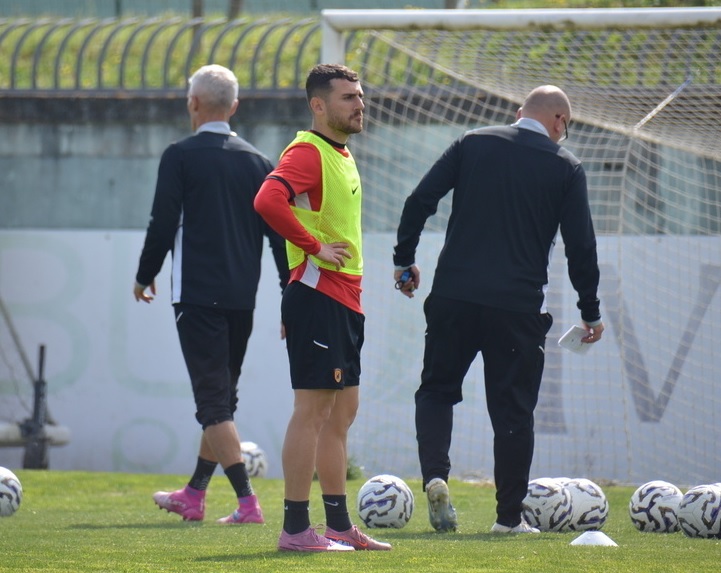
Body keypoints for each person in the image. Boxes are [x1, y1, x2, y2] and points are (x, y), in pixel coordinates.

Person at [392, 85, 605, 534]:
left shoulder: (473, 142)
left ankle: (435, 476)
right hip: (516, 307)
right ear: (559, 121)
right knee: (512, 414)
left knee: (436, 391)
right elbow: (581, 246)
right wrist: (590, 310)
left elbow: (419, 200)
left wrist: (404, 259)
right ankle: (508, 519)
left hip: (453, 296)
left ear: (519, 112)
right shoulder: (565, 166)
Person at [133, 64, 289, 525]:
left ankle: (247, 503)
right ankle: (195, 494)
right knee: (222, 400)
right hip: (242, 299)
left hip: (197, 296)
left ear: (193, 103)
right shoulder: (260, 163)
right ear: (234, 106)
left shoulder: (179, 156)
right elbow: (280, 237)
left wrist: (144, 274)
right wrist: (290, 297)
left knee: (213, 404)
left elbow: (163, 221)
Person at [254, 63, 391, 552]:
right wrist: (313, 247)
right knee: (312, 412)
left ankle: (337, 525)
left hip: (343, 300)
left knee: (341, 414)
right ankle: (295, 529)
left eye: (360, 96)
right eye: (348, 97)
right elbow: (268, 200)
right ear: (318, 105)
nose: (359, 104)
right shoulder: (308, 152)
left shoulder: (341, 153)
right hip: (319, 296)